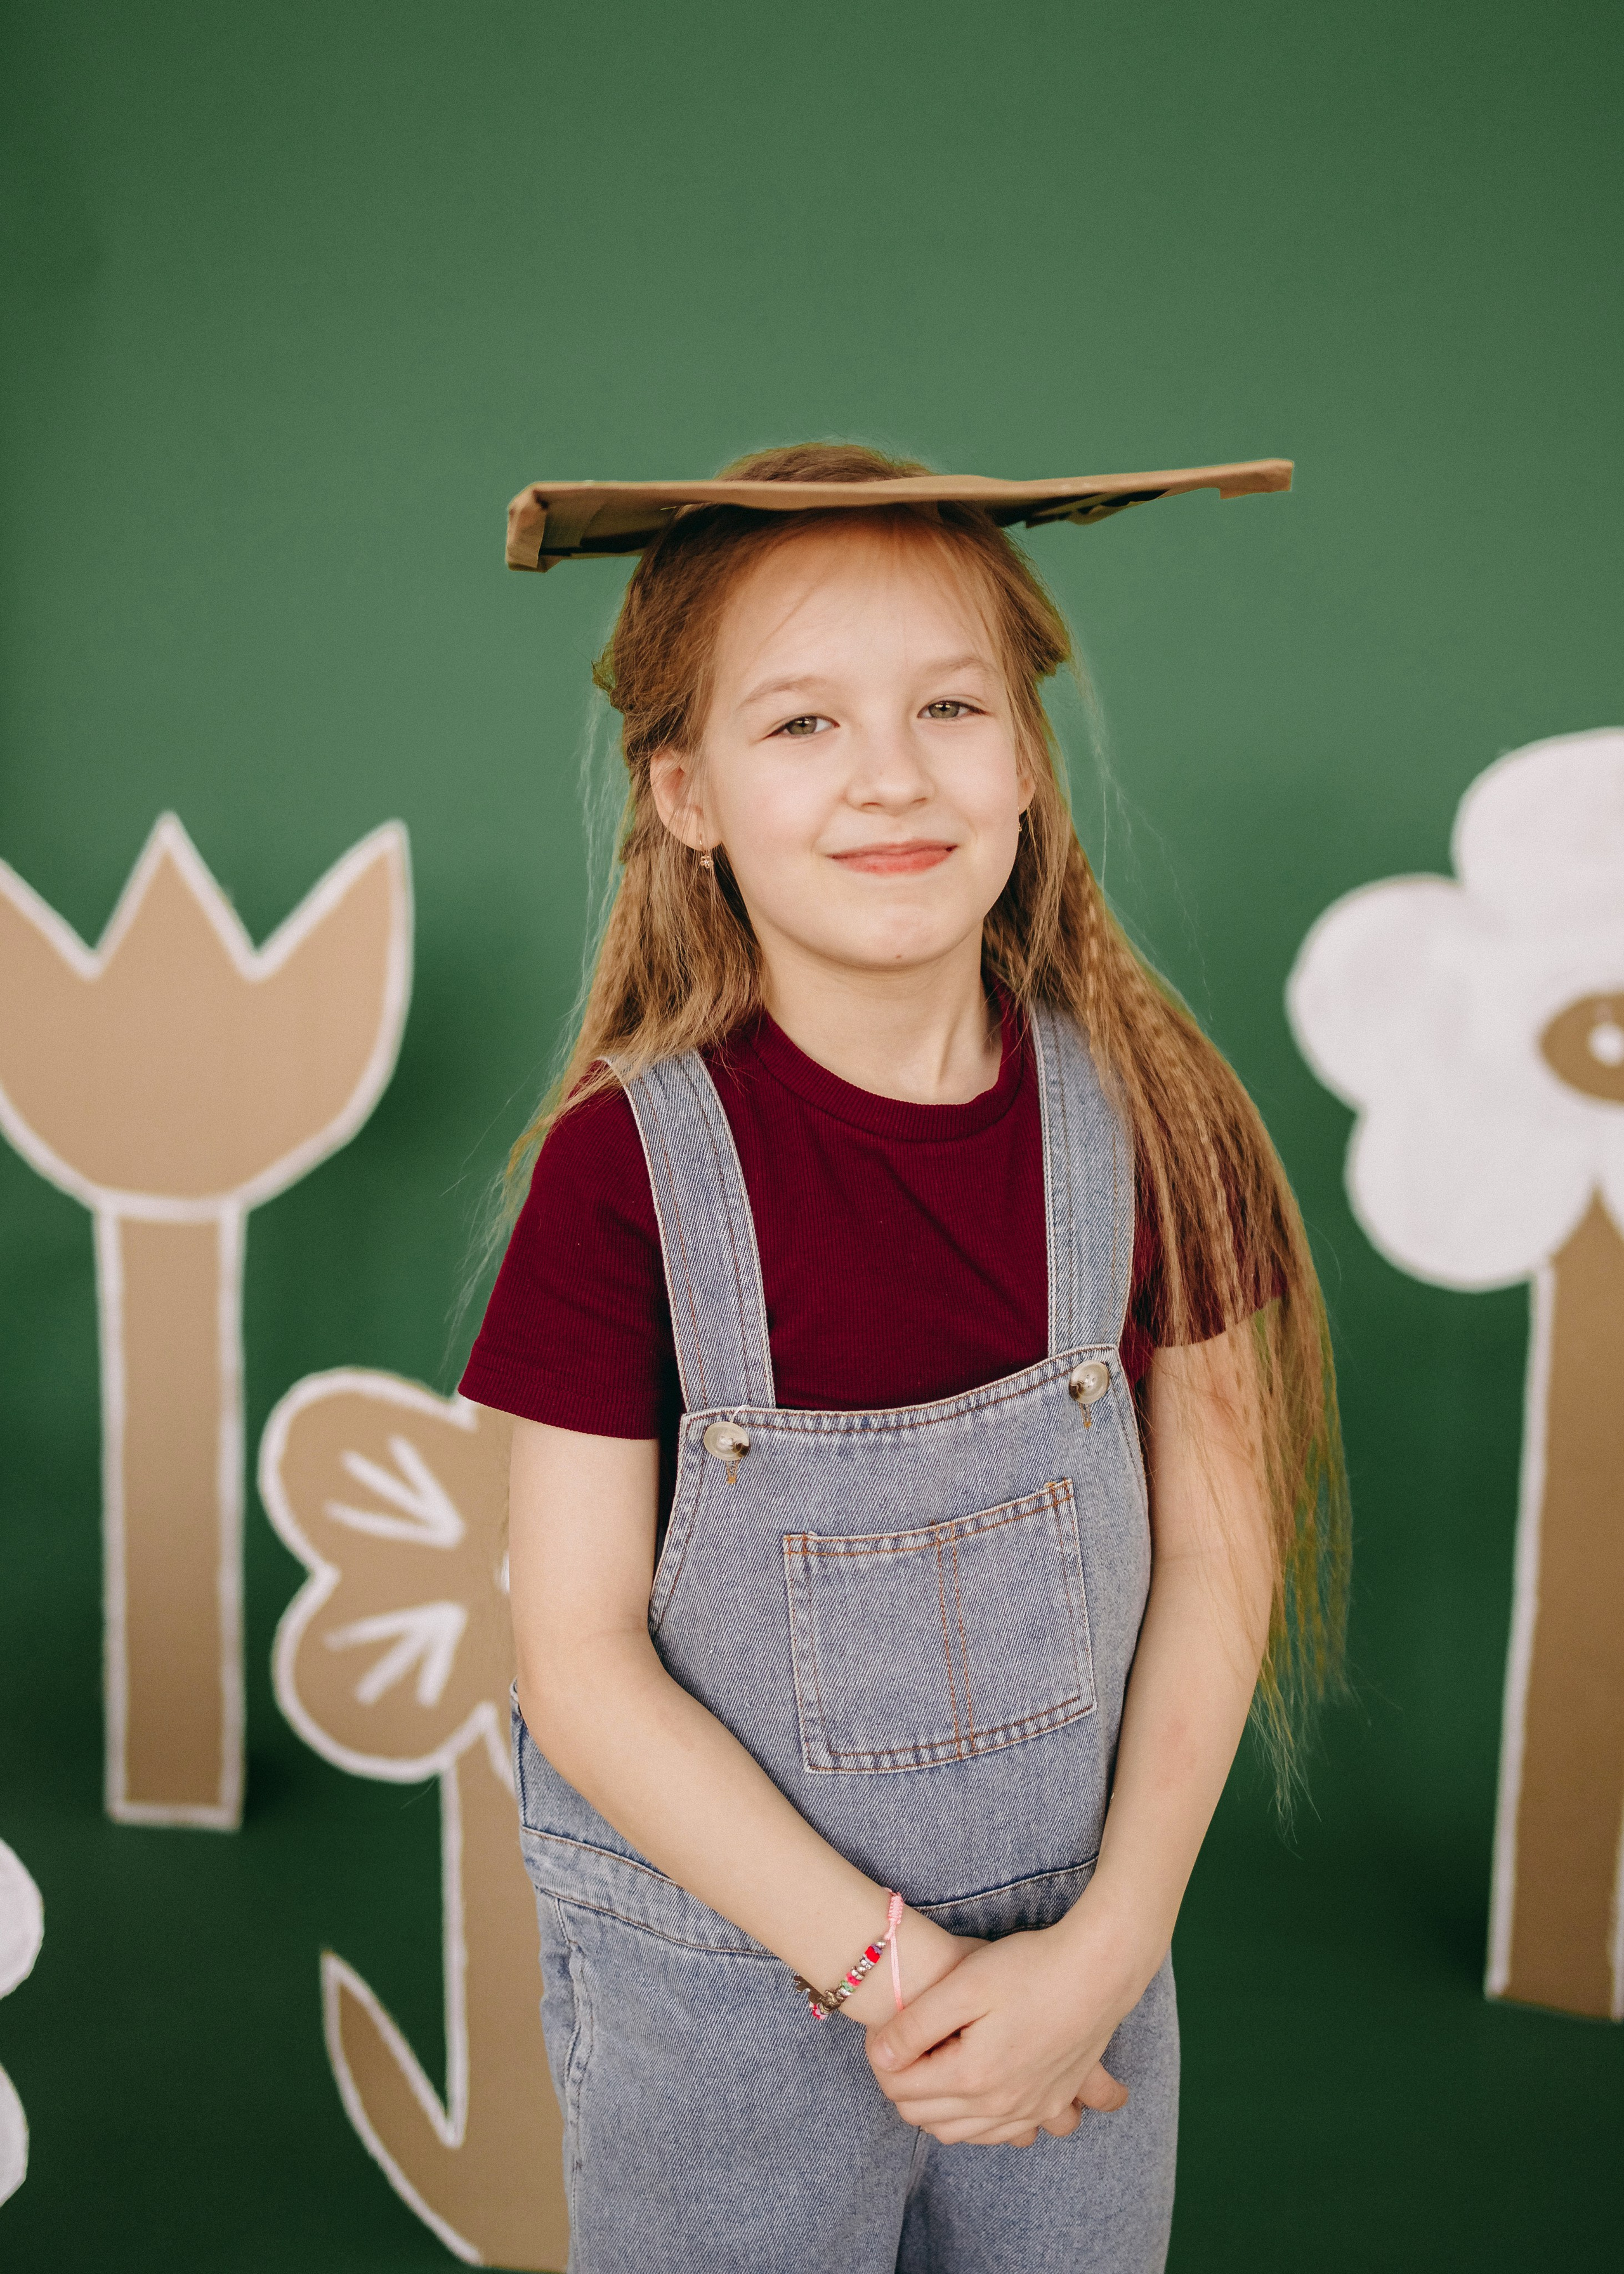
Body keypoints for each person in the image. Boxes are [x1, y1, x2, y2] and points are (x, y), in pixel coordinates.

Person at [462, 442, 1349, 2274]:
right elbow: (577, 1658)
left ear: (1023, 757)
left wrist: (1098, 1956)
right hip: (728, 2009)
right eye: (802, 726)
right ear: (686, 791)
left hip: (1078, 1994)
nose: (891, 773)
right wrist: (911, 1978)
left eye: (951, 704)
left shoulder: (1158, 1126)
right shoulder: (623, 1176)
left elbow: (1225, 1552)